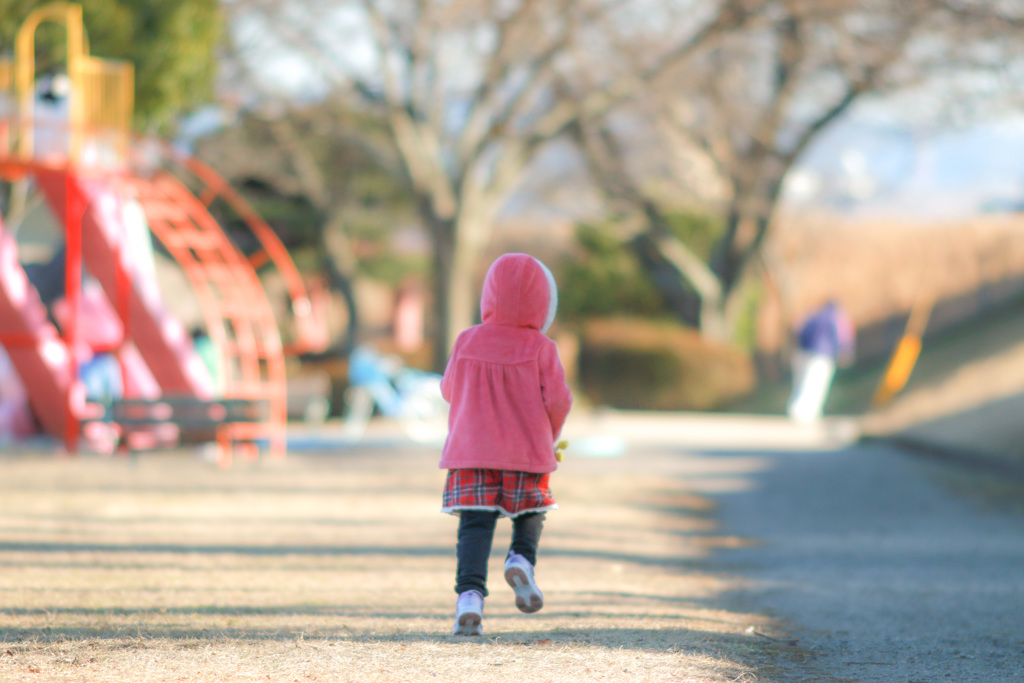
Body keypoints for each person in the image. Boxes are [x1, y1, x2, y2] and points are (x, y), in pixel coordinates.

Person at [439, 253, 573, 636]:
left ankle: (469, 597)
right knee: (532, 510)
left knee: (475, 526)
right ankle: (521, 559)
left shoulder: (467, 339)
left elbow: (449, 390)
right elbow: (559, 400)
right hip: (526, 453)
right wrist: (550, 436)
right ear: (543, 302)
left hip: (471, 453)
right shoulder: (541, 347)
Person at [787, 300, 855, 423]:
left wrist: (802, 348)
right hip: (825, 354)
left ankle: (801, 411)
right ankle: (806, 412)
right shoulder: (836, 318)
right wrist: (844, 351)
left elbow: (801, 332)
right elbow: (841, 336)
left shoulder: (813, 316)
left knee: (805, 382)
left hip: (807, 352)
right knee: (817, 385)